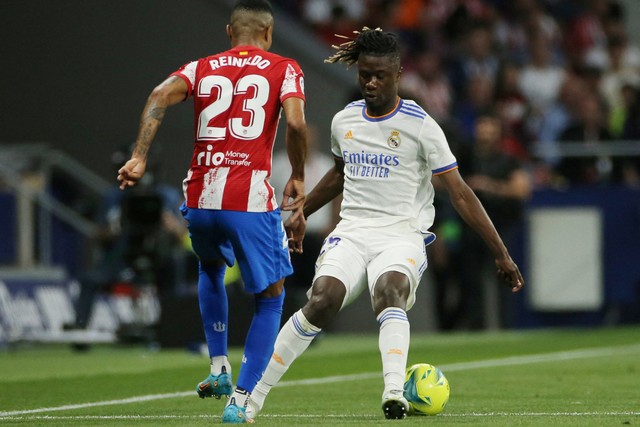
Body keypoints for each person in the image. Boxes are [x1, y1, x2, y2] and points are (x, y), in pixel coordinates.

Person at [246, 27, 524, 421]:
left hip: (402, 235)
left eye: (379, 75)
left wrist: (501, 254)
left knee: (389, 292)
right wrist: (300, 211)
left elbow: (460, 193)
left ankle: (394, 391)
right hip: (353, 232)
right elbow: (340, 176)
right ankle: (251, 398)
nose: (371, 83)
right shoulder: (345, 121)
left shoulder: (421, 125)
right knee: (321, 301)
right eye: (364, 75)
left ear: (398, 73)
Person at [116, 0, 308, 423]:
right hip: (249, 201)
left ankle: (219, 368)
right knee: (271, 299)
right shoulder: (285, 67)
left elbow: (158, 95)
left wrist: (139, 157)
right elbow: (294, 124)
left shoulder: (200, 67)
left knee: (210, 267)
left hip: (200, 197)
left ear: (228, 32)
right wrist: (296, 174)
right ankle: (240, 399)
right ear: (269, 33)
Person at [67, 147, 186, 334]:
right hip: (123, 253)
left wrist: (171, 226)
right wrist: (114, 229)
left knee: (175, 265)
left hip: (158, 254)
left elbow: (182, 236)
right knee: (90, 279)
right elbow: (98, 234)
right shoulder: (114, 196)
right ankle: (80, 326)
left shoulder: (168, 196)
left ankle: (173, 327)